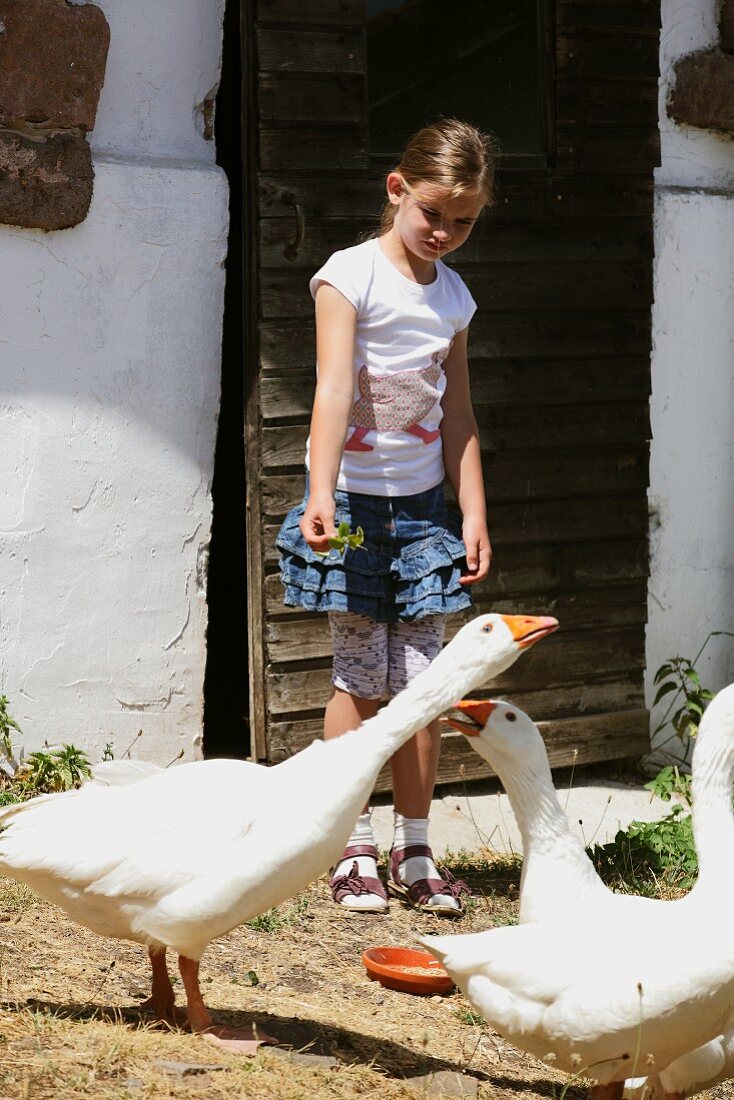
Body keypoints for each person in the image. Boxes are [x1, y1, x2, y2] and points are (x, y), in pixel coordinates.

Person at [276, 119, 495, 916]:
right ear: (396, 190)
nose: (445, 232)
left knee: (422, 687)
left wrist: (471, 510)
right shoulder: (350, 277)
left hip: (423, 516)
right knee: (362, 677)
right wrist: (323, 490)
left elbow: (459, 415)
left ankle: (414, 849)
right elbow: (334, 389)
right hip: (359, 511)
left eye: (464, 220)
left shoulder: (455, 298)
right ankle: (351, 845)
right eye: (433, 212)